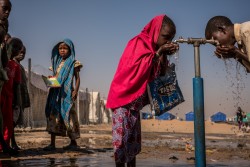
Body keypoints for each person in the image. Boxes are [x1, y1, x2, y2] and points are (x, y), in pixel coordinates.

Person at [106, 15, 179, 167]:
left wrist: (165, 53)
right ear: (155, 31)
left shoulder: (154, 49)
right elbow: (135, 68)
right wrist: (159, 52)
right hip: (123, 100)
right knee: (121, 143)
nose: (168, 41)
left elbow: (157, 74)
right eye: (165, 37)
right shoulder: (138, 42)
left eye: (171, 39)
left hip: (134, 105)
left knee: (132, 144)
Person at [43, 39, 82, 151]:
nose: (62, 51)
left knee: (69, 116)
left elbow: (77, 78)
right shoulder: (57, 63)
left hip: (67, 93)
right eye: (60, 48)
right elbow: (56, 77)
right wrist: (50, 80)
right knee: (53, 116)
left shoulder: (74, 63)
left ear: (70, 50)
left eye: (65, 48)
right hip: (55, 94)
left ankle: (73, 142)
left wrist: (75, 91)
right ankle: (52, 144)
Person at [0, 37, 22, 155]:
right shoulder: (2, 62)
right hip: (1, 95)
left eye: (19, 48)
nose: (16, 49)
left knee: (8, 123)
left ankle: (5, 145)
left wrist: (16, 101)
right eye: (14, 46)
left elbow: (16, 85)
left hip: (9, 98)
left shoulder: (15, 66)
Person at [11, 45, 30, 150]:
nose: (22, 54)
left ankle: (12, 143)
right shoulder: (13, 64)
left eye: (24, 52)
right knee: (12, 121)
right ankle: (11, 143)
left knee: (15, 121)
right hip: (15, 97)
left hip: (20, 97)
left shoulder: (20, 66)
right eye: (20, 51)